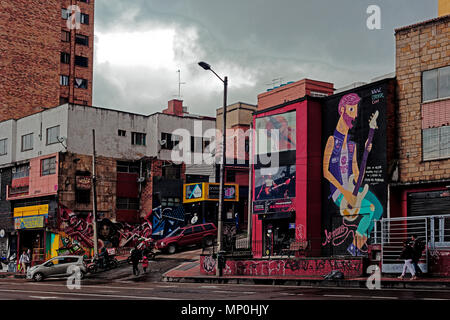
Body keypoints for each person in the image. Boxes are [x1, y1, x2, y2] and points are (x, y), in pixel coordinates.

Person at [323, 93, 383, 256]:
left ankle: (362, 240)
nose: (355, 115)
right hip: (339, 193)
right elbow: (326, 172)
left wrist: (365, 154)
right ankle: (355, 246)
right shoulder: (331, 141)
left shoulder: (352, 145)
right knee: (370, 209)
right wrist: (346, 193)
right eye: (351, 110)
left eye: (356, 111)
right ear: (342, 110)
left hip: (352, 189)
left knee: (378, 208)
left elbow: (357, 174)